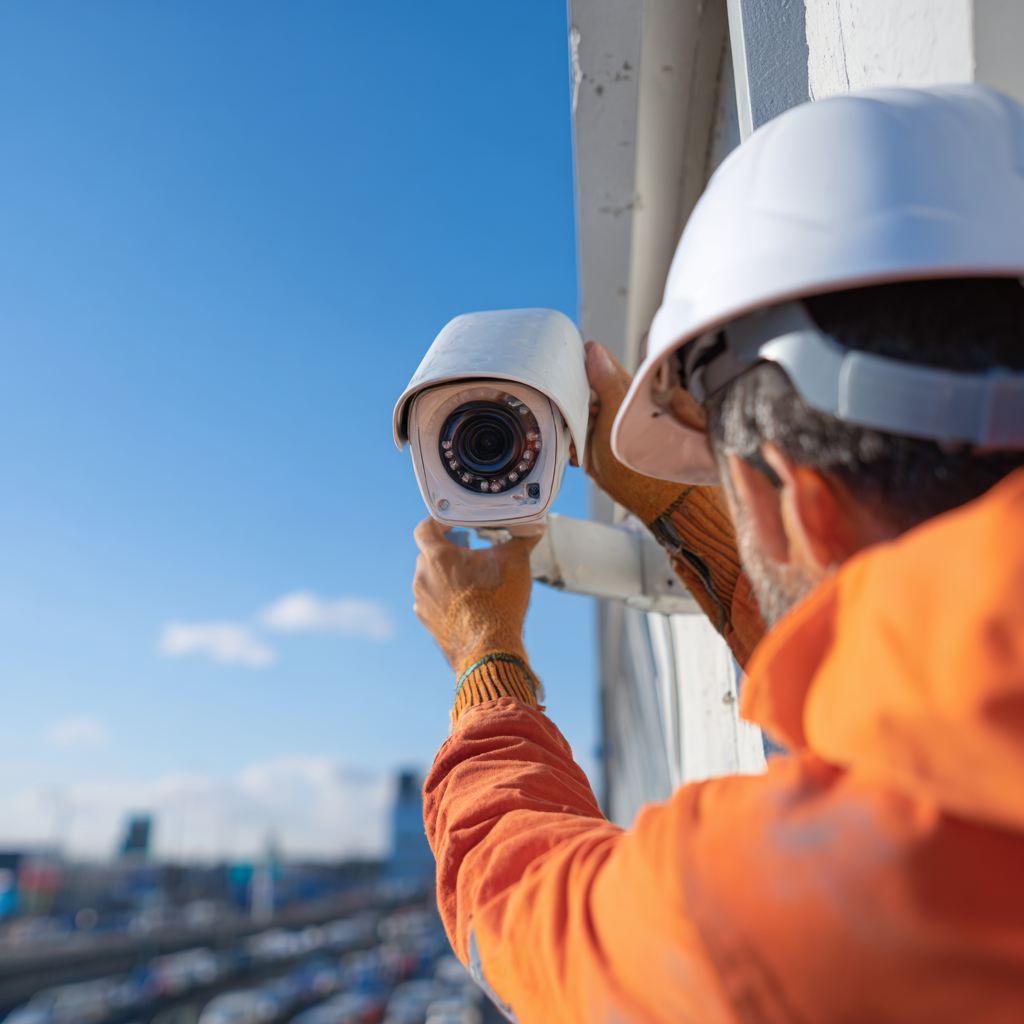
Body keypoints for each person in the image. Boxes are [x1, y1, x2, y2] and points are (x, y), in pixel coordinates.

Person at [411, 86, 1024, 1023]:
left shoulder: (810, 911)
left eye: (733, 492)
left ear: (799, 506)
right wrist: (679, 504)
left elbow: (524, 912)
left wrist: (484, 657)